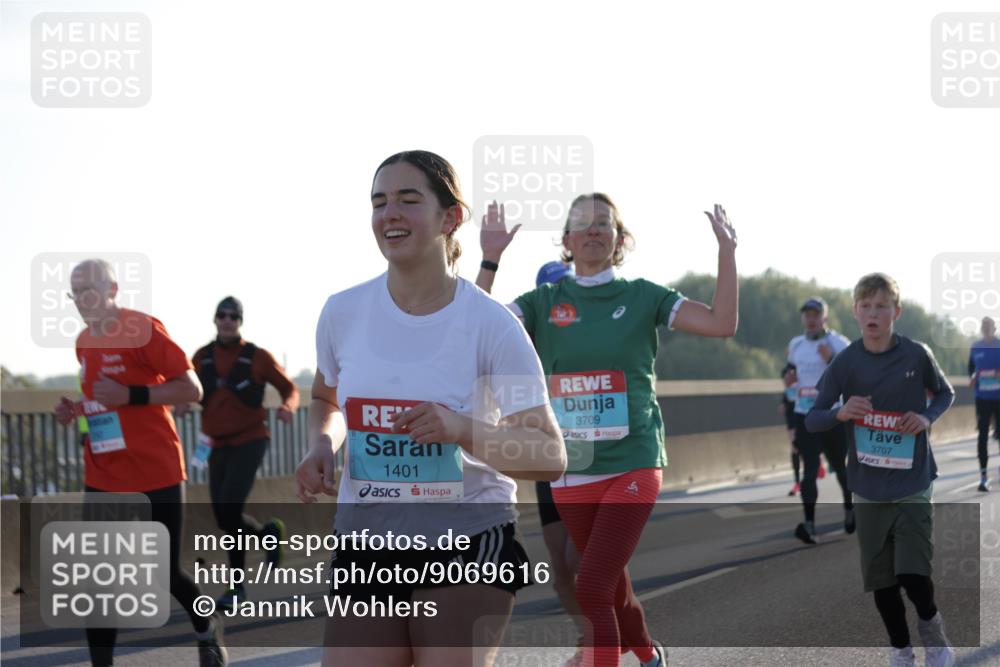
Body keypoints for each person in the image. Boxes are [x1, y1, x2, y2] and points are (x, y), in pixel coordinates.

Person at [294, 150, 567, 667]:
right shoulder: (341, 312)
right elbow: (326, 398)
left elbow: (549, 455)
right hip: (367, 541)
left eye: (408, 199)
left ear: (450, 218)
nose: (389, 214)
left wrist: (461, 429)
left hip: (468, 539)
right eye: (379, 202)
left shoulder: (493, 325)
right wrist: (322, 445)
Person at [476, 194, 738, 667]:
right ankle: (649, 655)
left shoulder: (644, 296)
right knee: (612, 586)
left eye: (604, 223)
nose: (594, 230)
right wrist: (490, 260)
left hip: (633, 461)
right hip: (572, 470)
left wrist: (726, 252)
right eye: (583, 223)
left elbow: (721, 324)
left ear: (619, 238)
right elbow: (474, 331)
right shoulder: (544, 302)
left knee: (592, 585)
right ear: (567, 239)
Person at [53, 259, 227, 667]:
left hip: (155, 470)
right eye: (76, 293)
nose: (82, 300)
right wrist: (76, 409)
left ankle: (206, 628)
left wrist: (130, 395)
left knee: (165, 572)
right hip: (105, 474)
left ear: (112, 290)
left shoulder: (142, 329)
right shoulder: (83, 341)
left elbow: (191, 389)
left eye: (90, 290)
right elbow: (102, 398)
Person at [806, 273, 956, 667]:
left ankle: (935, 642)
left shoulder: (916, 355)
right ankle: (901, 651)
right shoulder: (845, 362)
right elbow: (813, 418)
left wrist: (925, 417)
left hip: (912, 482)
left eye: (882, 306)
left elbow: (945, 393)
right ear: (855, 312)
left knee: (913, 574)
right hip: (868, 488)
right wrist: (841, 412)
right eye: (866, 306)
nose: (873, 313)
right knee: (883, 582)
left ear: (896, 312)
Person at [176, 296, 300, 607]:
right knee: (223, 516)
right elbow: (185, 388)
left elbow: (290, 389)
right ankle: (267, 534)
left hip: (250, 440)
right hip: (215, 444)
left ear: (240, 322)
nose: (227, 320)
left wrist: (288, 407)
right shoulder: (201, 357)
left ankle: (236, 588)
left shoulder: (257, 357)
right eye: (222, 315)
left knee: (230, 510)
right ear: (215, 320)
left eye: (234, 316)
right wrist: (182, 403)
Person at [786, 297, 853, 544]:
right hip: (805, 415)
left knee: (840, 467)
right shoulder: (796, 344)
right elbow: (790, 376)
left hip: (833, 415)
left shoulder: (839, 343)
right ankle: (809, 524)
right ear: (803, 318)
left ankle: (850, 509)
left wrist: (831, 359)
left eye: (815, 315)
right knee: (810, 469)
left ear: (824, 318)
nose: (811, 320)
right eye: (807, 315)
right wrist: (789, 381)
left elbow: (852, 376)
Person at [969, 316, 1000, 492]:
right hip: (982, 398)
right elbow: (971, 369)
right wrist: (973, 377)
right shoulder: (975, 347)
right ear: (981, 329)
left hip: (999, 397)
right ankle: (983, 477)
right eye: (984, 326)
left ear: (994, 329)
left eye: (990, 326)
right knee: (982, 436)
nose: (987, 329)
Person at [780, 363, 801, 496]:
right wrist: (783, 406)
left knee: (809, 450)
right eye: (784, 379)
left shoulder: (802, 387)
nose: (786, 380)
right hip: (792, 423)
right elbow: (785, 404)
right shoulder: (786, 392)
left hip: (803, 420)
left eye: (788, 376)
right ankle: (797, 482)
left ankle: (818, 463)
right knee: (794, 450)